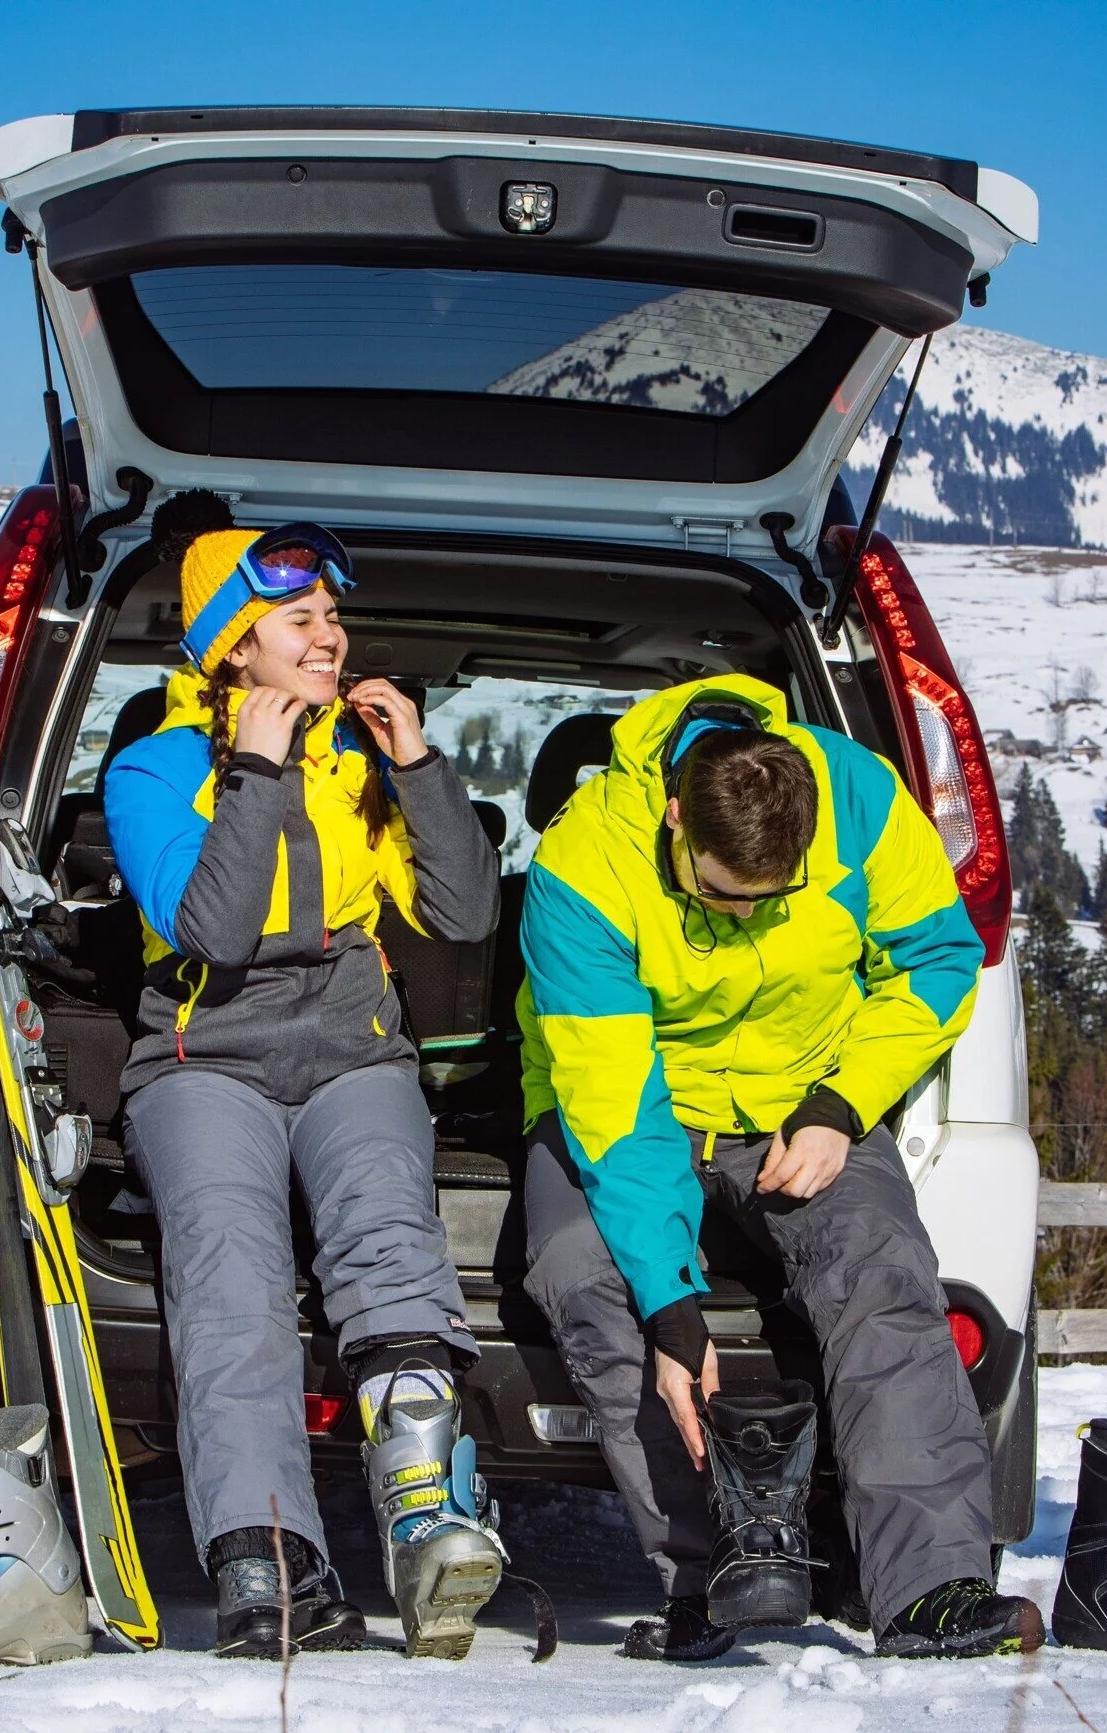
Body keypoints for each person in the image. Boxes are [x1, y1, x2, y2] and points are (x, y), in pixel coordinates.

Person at [516, 674, 1043, 1661]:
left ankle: (930, 1587)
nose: (748, 917)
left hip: (802, 1106)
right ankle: (706, 1578)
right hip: (637, 1108)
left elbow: (935, 958)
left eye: (776, 900)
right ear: (677, 817)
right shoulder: (584, 866)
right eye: (722, 894)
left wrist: (844, 1104)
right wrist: (673, 1302)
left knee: (882, 1265)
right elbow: (618, 1107)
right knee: (592, 1272)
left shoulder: (861, 800)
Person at [101, 503, 505, 1660]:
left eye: (334, 614)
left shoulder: (362, 759)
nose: (330, 635)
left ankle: (429, 1518)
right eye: (299, 618)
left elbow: (467, 911)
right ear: (233, 643)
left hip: (351, 1034)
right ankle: (264, 1559)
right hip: (205, 1048)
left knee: (388, 1238)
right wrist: (258, 770)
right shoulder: (156, 766)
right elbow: (212, 928)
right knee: (232, 1275)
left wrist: (417, 765)